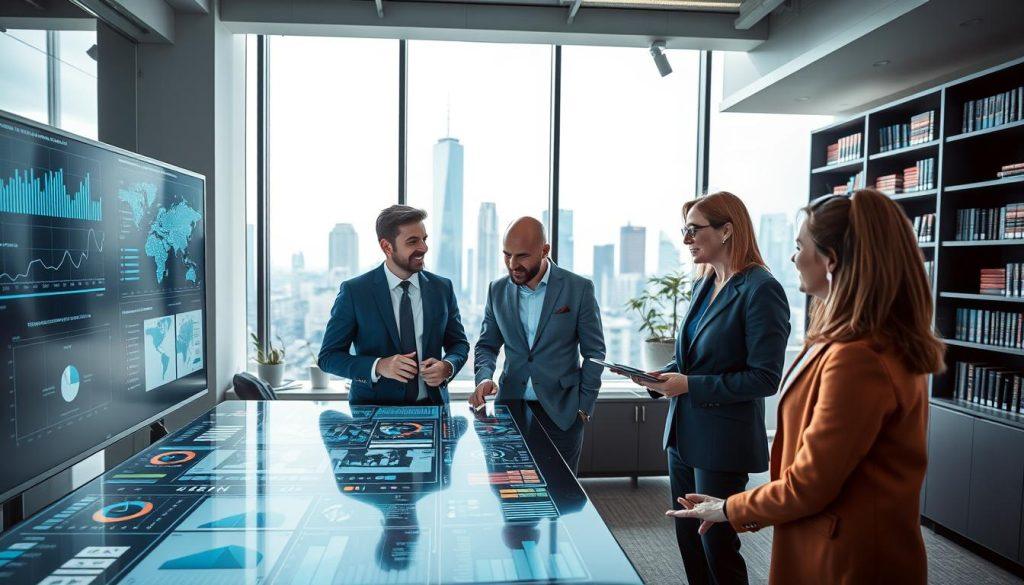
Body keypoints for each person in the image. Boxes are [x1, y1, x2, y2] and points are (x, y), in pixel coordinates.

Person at [668, 189, 943, 584]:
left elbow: (808, 484)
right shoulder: (860, 340)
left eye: (800, 247)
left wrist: (729, 508)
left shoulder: (859, 356)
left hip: (845, 555)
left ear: (830, 260)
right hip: (831, 540)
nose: (794, 258)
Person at [626, 191, 790, 585]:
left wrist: (690, 386)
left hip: (721, 441)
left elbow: (765, 378)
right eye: (685, 230)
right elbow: (689, 359)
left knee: (717, 544)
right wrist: (658, 378)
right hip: (683, 436)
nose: (686, 239)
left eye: (693, 230)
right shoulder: (706, 283)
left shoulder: (760, 289)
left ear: (727, 230)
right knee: (689, 541)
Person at [469, 216, 605, 474]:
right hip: (510, 408)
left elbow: (594, 353)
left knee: (562, 498)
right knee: (509, 495)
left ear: (545, 250)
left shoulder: (578, 289)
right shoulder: (496, 290)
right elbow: (487, 345)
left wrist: (583, 408)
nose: (512, 264)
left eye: (521, 256)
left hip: (563, 413)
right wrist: (482, 378)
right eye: (506, 255)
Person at [318, 205, 470, 405]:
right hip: (373, 412)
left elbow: (459, 344)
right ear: (387, 247)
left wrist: (447, 367)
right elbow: (328, 357)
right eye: (413, 241)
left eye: (424, 239)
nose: (424, 248)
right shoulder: (355, 292)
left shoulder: (442, 288)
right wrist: (379, 366)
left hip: (433, 409)